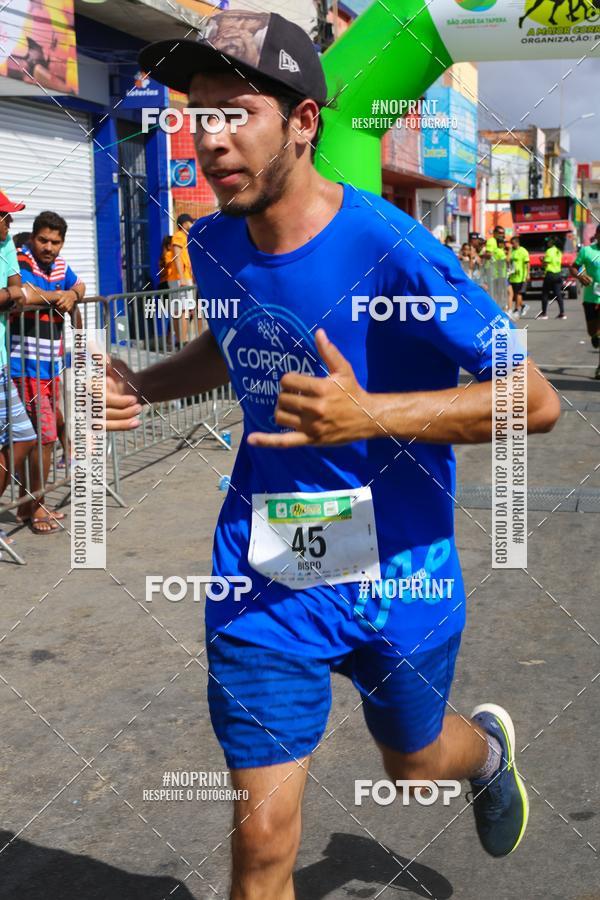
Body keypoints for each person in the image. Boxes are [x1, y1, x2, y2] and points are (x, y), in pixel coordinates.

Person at [108, 12, 559, 897]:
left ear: (305, 121)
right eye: (198, 116)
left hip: (401, 567)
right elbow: (232, 341)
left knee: (414, 760)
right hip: (270, 562)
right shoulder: (213, 241)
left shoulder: (393, 248)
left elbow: (534, 400)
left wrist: (372, 414)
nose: (209, 138)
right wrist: (145, 385)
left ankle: (486, 754)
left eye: (235, 112)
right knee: (263, 840)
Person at [11, 211, 85, 534]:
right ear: (32, 238)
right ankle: (36, 506)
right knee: (44, 437)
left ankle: (29, 504)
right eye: (43, 239)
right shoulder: (20, 259)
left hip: (50, 369)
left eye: (55, 242)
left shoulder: (58, 267)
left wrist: (74, 294)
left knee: (43, 436)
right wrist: (60, 297)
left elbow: (78, 284)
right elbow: (24, 293)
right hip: (24, 367)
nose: (49, 247)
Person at [0, 192, 36, 542]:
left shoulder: (6, 242)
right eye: (4, 216)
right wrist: (11, 296)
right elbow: (14, 294)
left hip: (0, 364)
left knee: (23, 437)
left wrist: (10, 295)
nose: (10, 223)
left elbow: (16, 289)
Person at [571, 223, 600, 379]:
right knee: (592, 331)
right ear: (597, 234)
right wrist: (581, 275)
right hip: (590, 297)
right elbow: (574, 267)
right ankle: (594, 336)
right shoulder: (587, 251)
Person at [171, 213, 196, 343]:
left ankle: (179, 341)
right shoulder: (179, 236)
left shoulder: (183, 237)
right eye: (190, 222)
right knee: (184, 309)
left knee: (178, 310)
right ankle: (183, 341)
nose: (192, 225)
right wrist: (182, 278)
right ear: (185, 223)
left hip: (180, 278)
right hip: (182, 278)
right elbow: (177, 256)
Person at [539, 236, 566, 320]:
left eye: (548, 242)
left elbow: (546, 264)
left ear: (551, 243)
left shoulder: (549, 251)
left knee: (545, 294)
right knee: (558, 294)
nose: (547, 243)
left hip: (550, 274)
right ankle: (562, 313)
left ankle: (544, 314)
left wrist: (542, 260)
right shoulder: (559, 251)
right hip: (558, 274)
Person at [507, 235, 530, 319]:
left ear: (517, 242)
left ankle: (517, 309)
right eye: (511, 244)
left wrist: (528, 274)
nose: (512, 245)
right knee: (514, 294)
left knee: (518, 293)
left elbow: (527, 263)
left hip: (521, 277)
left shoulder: (523, 251)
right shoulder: (512, 251)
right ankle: (523, 306)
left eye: (513, 243)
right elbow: (508, 260)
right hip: (512, 276)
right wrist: (510, 250)